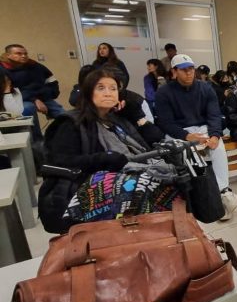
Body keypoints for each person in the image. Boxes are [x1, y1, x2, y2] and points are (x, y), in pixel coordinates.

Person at [41, 69, 180, 231]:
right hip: (89, 187)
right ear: (88, 92)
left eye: (113, 89)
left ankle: (169, 232)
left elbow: (156, 138)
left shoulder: (118, 119)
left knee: (183, 176)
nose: (108, 93)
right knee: (157, 185)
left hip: (131, 173)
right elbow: (61, 161)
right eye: (101, 88)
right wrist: (104, 158)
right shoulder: (72, 122)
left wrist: (136, 115)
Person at [154, 54, 237, 220]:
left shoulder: (205, 88)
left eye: (191, 69)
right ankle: (192, 195)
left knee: (218, 149)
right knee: (182, 154)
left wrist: (214, 135)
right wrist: (186, 136)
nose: (189, 73)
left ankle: (222, 191)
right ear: (174, 72)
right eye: (184, 70)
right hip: (179, 130)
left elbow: (214, 114)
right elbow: (165, 122)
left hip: (203, 127)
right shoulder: (164, 92)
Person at [1, 43, 64, 139]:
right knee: (28, 108)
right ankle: (37, 142)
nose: (23, 56)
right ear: (8, 55)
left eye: (25, 53)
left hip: (42, 97)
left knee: (64, 115)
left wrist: (42, 97)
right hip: (18, 101)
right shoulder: (2, 70)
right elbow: (10, 92)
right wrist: (34, 99)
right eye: (18, 53)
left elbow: (52, 83)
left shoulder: (35, 66)